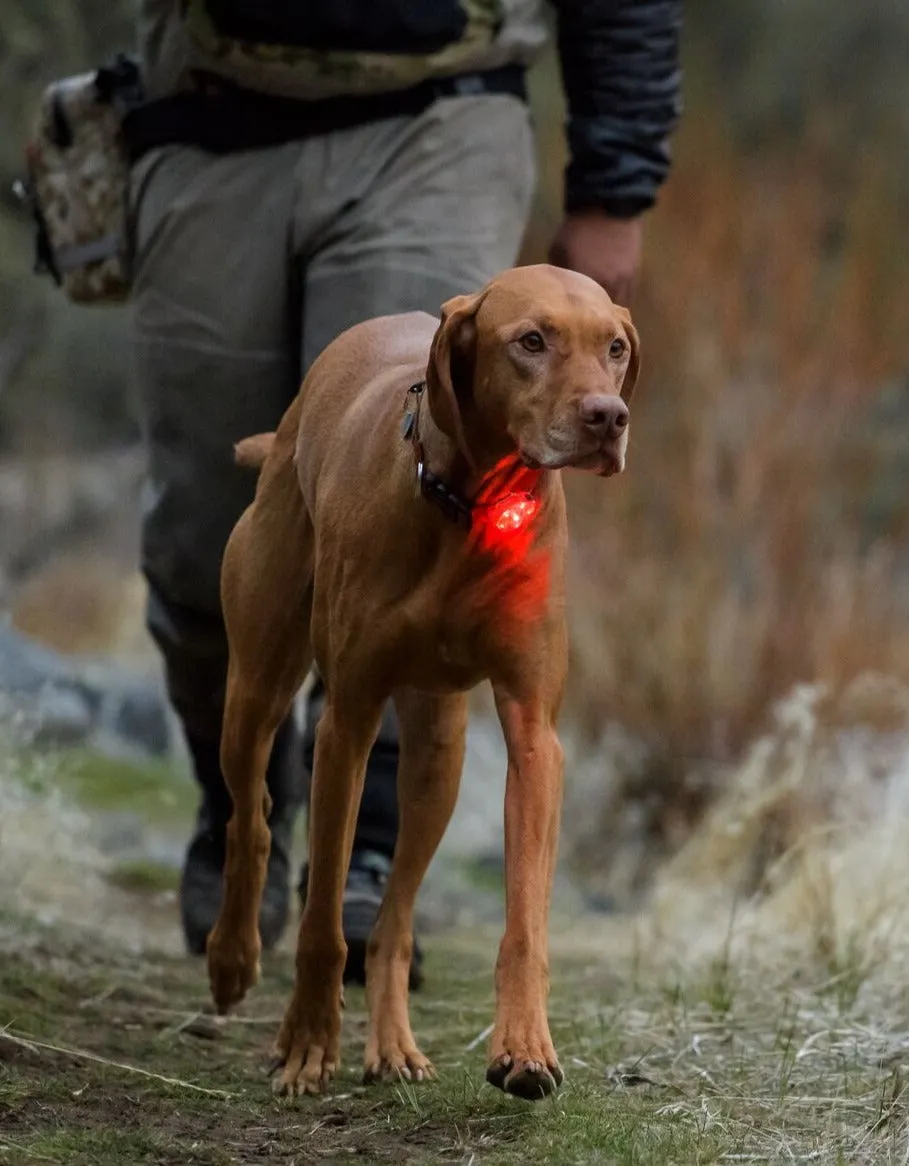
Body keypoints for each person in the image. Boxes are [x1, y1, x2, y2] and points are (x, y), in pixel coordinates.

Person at [126, 0, 681, 985]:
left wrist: (614, 185)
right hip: (208, 113)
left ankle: (370, 863)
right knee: (204, 522)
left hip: (438, 109)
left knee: (434, 485)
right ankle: (240, 809)